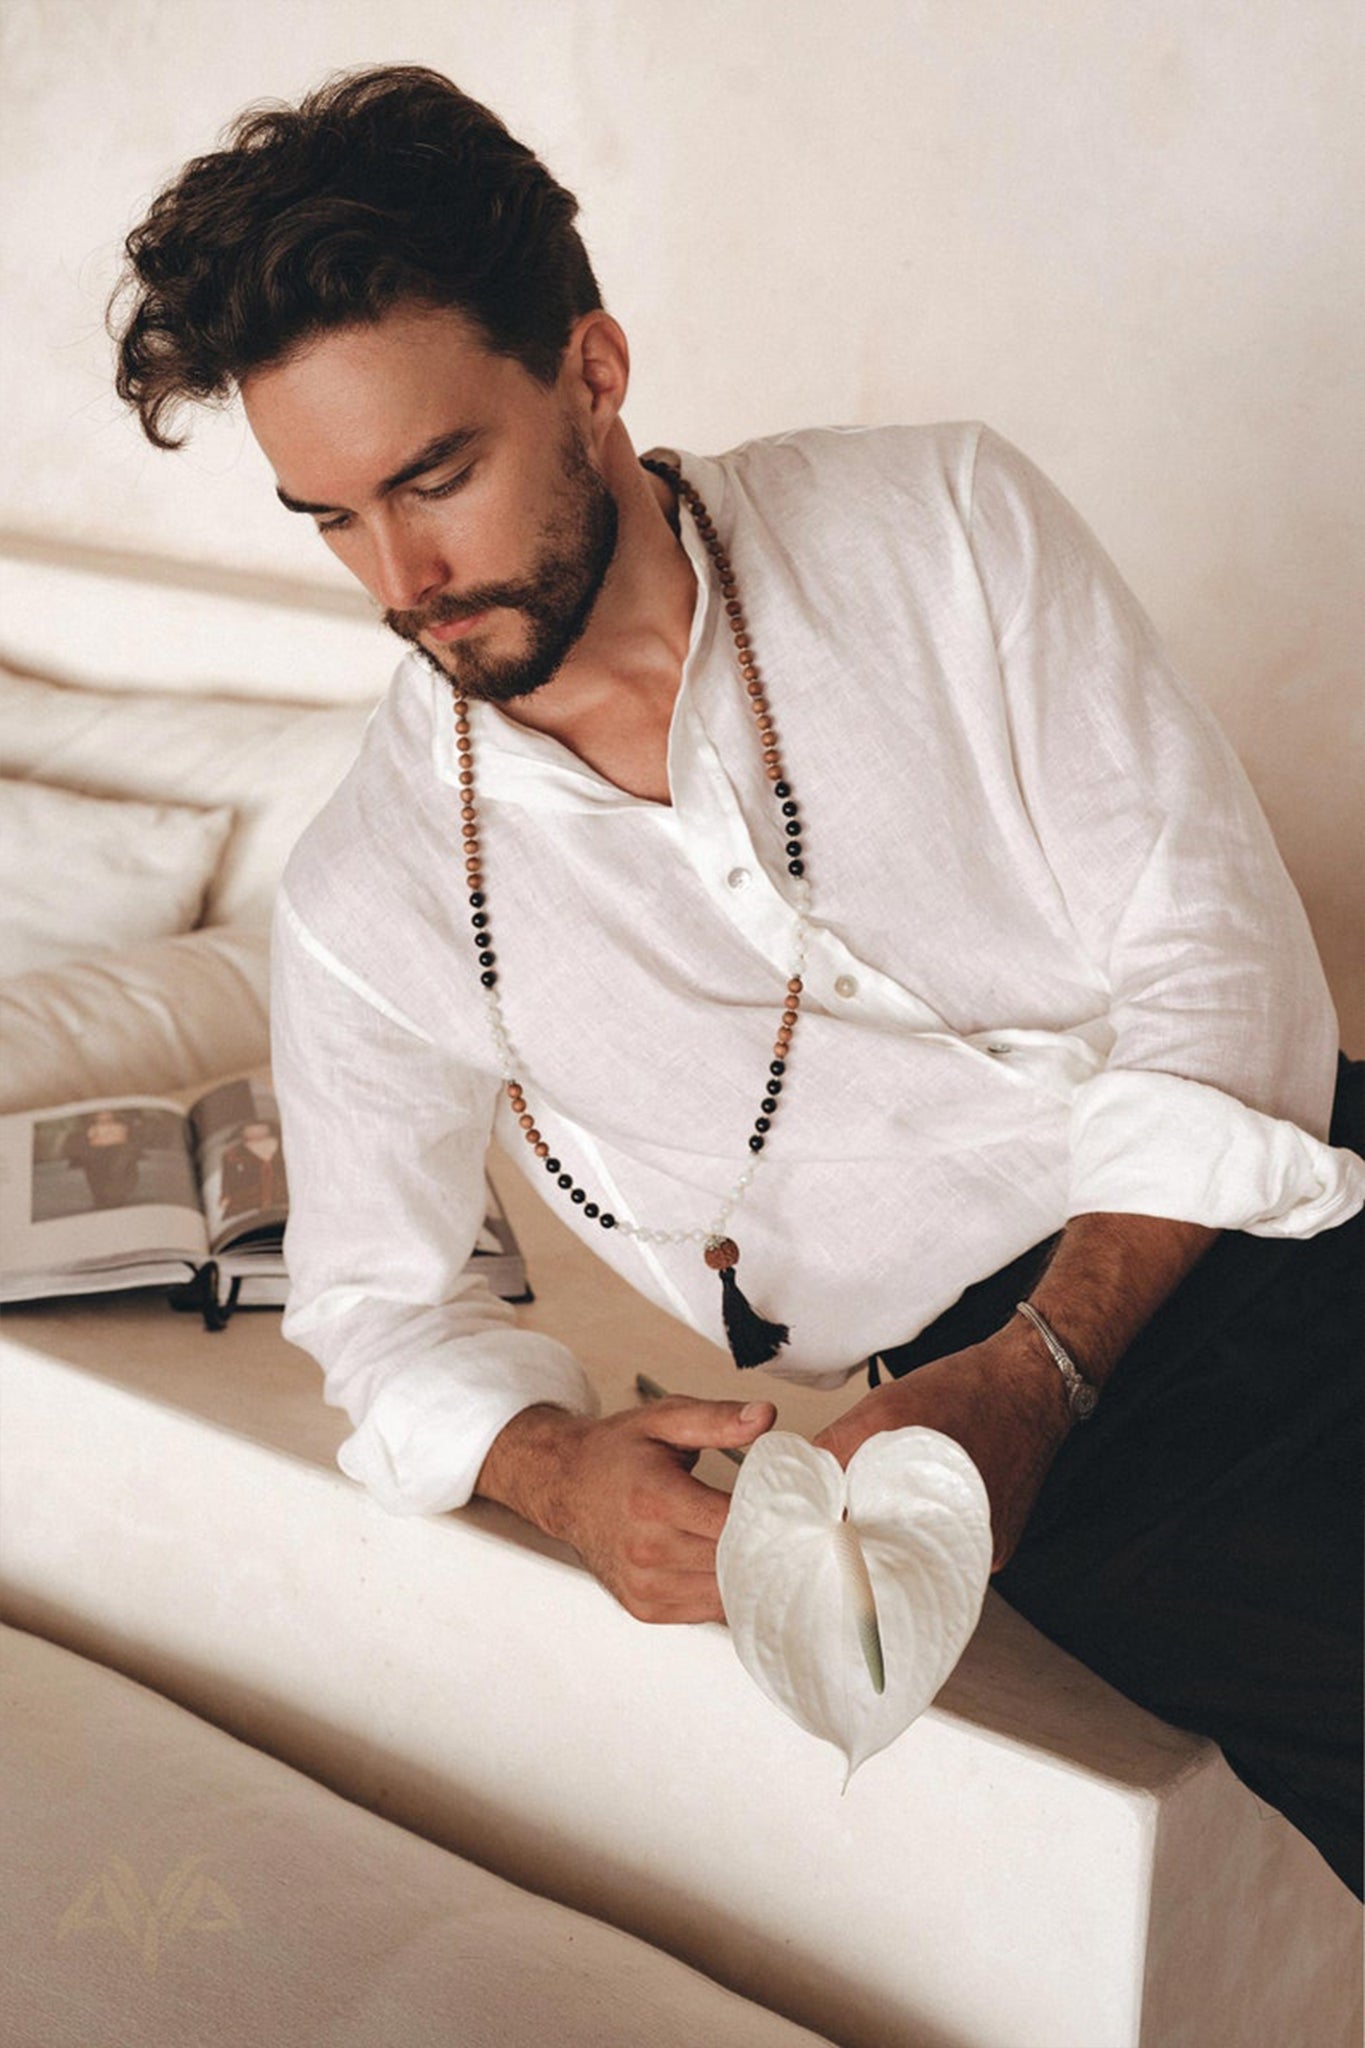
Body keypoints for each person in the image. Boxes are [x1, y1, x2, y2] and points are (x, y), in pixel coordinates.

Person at [111, 66, 1363, 1892]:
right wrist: (555, 1470)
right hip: (1091, 1445)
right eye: (331, 517)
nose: (404, 577)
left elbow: (1221, 956)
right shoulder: (372, 893)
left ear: (592, 372)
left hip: (1297, 1178)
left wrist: (1042, 1365)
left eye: (436, 478)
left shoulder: (937, 520)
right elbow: (375, 1310)